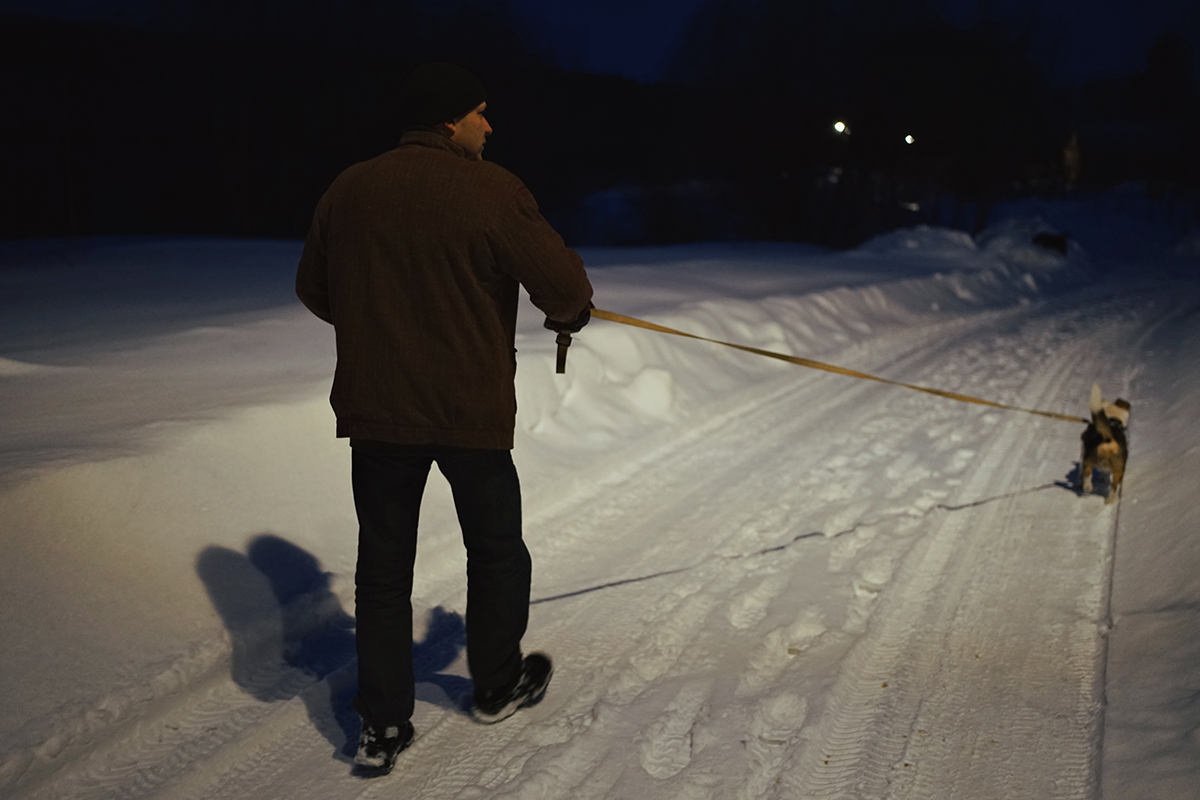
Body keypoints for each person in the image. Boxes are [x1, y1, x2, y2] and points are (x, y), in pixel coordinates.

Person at [295, 61, 593, 776]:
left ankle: (382, 723)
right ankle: (496, 684)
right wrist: (571, 312)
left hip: (379, 411)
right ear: (449, 119)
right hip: (467, 411)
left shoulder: (349, 188)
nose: (490, 125)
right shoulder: (492, 191)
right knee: (495, 550)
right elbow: (562, 288)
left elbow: (314, 288)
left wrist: (378, 324)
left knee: (382, 569)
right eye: (480, 112)